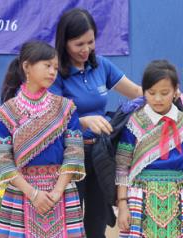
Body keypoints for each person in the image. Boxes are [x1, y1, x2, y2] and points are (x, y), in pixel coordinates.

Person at [49, 8, 142, 237]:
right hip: (69, 158)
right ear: (64, 42)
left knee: (97, 223)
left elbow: (137, 93)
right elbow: (51, 119)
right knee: (67, 223)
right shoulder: (55, 72)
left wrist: (164, 93)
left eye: (90, 42)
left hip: (101, 155)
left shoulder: (101, 65)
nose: (86, 49)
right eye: (78, 44)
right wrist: (82, 122)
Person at [0, 41, 85, 237]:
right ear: (27, 66)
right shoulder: (6, 113)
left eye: (56, 68)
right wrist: (33, 194)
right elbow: (2, 161)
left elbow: (74, 153)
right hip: (21, 193)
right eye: (47, 65)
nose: (53, 72)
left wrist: (58, 191)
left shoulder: (65, 108)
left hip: (60, 192)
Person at [115, 60, 183, 237]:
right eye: (151, 92)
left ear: (175, 90)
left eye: (164, 93)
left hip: (178, 197)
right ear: (144, 91)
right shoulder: (135, 122)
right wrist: (123, 204)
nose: (157, 99)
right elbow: (122, 166)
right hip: (140, 197)